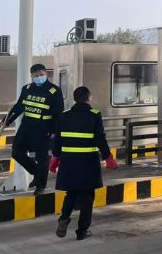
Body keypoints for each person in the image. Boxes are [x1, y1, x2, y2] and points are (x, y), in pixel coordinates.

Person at [50, 86, 118, 240]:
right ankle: (82, 231)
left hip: (68, 161)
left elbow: (58, 140)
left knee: (71, 193)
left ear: (75, 99)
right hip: (88, 162)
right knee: (87, 196)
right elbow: (100, 138)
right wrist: (108, 158)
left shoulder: (64, 115)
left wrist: (55, 159)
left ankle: (64, 218)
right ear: (89, 98)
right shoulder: (94, 115)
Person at [2, 63, 64, 195]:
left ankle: (40, 186)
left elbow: (58, 114)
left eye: (41, 74)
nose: (39, 77)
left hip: (44, 128)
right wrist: (7, 121)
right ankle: (36, 172)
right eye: (36, 75)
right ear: (32, 76)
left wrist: (54, 131)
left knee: (42, 157)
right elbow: (19, 107)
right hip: (26, 127)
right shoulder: (27, 88)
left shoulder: (54, 91)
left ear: (46, 74)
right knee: (16, 152)